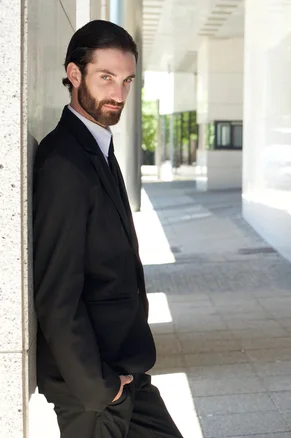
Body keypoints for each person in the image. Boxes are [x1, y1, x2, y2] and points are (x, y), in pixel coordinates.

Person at [32, 20, 183, 438]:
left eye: (126, 80)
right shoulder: (64, 162)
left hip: (126, 371)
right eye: (106, 78)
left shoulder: (97, 148)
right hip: (95, 391)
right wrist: (102, 390)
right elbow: (56, 294)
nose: (118, 94)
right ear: (75, 74)